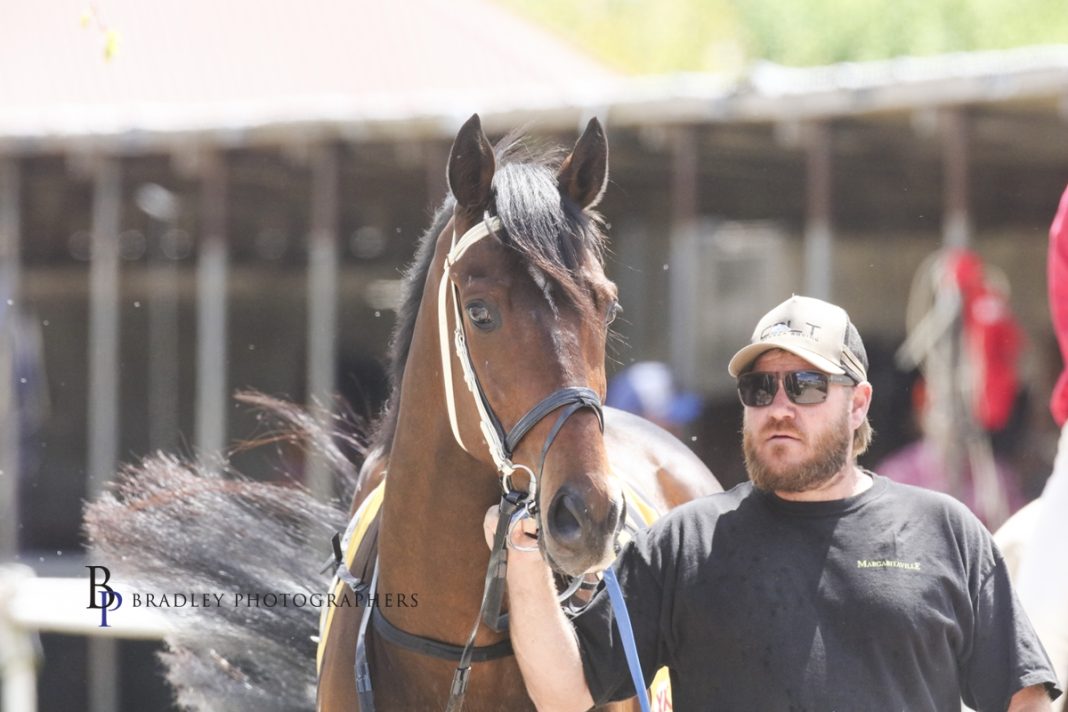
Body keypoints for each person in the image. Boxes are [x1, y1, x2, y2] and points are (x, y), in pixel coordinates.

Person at [486, 295, 1062, 711]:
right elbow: (566, 693)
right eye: (760, 388)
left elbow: (1024, 696)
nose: (779, 407)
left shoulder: (945, 531)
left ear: (858, 404)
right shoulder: (686, 543)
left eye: (806, 386)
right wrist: (525, 561)